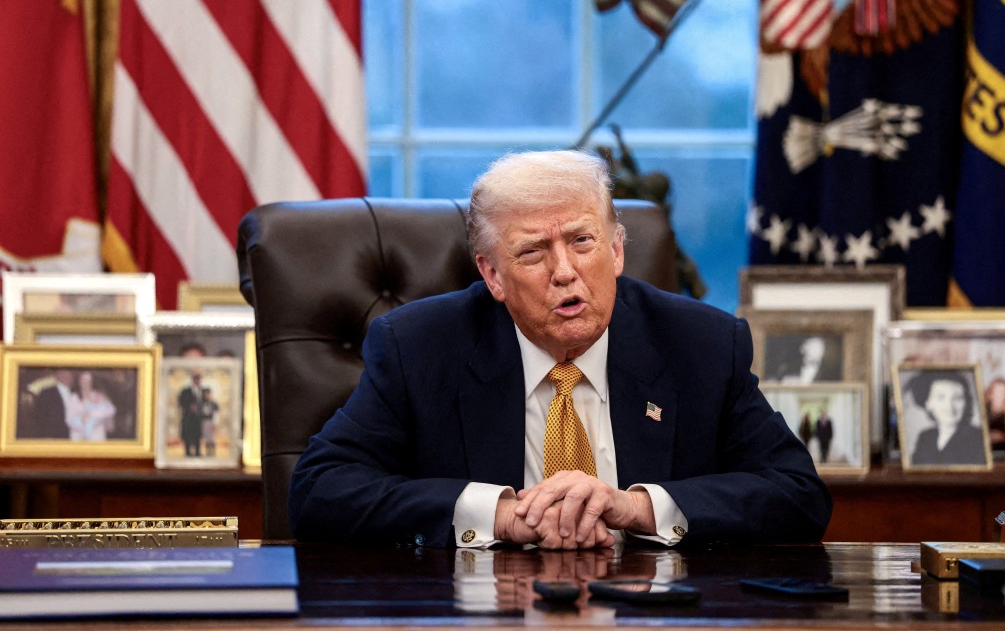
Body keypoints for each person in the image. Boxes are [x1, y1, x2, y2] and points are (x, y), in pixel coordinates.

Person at [289, 149, 831, 549]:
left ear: (616, 251)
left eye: (582, 241)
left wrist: (636, 507)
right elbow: (319, 492)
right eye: (532, 252)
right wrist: (497, 515)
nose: (565, 272)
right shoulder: (419, 347)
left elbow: (797, 494)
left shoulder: (702, 344)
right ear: (493, 275)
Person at [908, 370, 987, 466]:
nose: (949, 406)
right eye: (941, 398)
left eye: (957, 398)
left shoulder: (978, 437)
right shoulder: (925, 437)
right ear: (928, 403)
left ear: (966, 403)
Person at [66, 371, 117, 442]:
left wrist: (98, 417)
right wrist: (82, 419)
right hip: (79, 438)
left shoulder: (99, 396)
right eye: (84, 380)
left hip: (97, 437)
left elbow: (110, 412)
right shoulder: (74, 398)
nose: (86, 383)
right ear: (79, 381)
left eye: (89, 381)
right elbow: (69, 420)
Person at [23, 369, 75, 439]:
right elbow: (39, 416)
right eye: (63, 373)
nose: (67, 376)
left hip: (74, 436)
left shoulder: (76, 393)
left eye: (69, 374)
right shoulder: (47, 393)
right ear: (57, 376)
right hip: (53, 437)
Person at [178, 372, 204, 457]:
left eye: (199, 379)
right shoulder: (186, 391)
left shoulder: (202, 391)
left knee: (197, 435)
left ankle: (197, 452)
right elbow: (181, 402)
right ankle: (187, 452)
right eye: (196, 379)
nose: (198, 381)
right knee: (188, 435)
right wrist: (189, 406)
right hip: (188, 417)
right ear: (193, 380)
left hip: (198, 417)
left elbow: (206, 403)